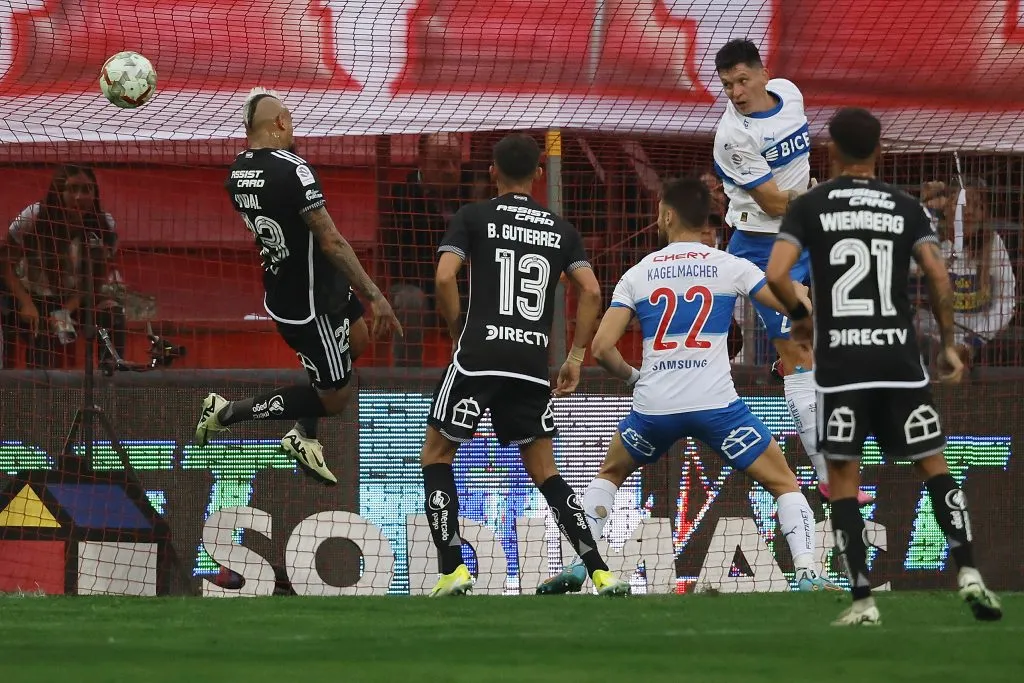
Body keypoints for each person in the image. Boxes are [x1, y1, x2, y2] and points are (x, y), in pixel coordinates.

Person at [538, 177, 835, 594]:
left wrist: (635, 378)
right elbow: (793, 304)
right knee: (784, 481)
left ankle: (580, 563)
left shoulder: (638, 274)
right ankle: (806, 573)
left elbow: (602, 348)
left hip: (654, 408)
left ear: (668, 215)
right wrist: (803, 297)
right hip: (717, 408)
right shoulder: (729, 265)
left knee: (610, 472)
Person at [766, 107, 1002, 626]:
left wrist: (806, 316)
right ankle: (969, 574)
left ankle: (863, 601)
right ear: (880, 151)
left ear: (830, 150)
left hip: (842, 365)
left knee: (844, 478)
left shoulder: (811, 205)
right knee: (934, 465)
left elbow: (777, 273)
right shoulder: (905, 206)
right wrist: (945, 344)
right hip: (898, 360)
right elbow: (939, 278)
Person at [419, 133, 629, 597]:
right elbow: (592, 292)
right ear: (539, 174)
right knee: (546, 473)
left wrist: (458, 330)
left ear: (491, 172)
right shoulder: (560, 229)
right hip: (531, 364)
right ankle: (598, 570)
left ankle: (453, 568)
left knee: (436, 455)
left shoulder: (472, 216)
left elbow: (444, 275)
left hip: (479, 357)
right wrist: (574, 356)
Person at [194, 87, 402, 485]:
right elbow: (331, 239)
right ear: (281, 122)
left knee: (356, 341)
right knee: (336, 398)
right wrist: (375, 295)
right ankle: (225, 412)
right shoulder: (294, 168)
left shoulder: (236, 171)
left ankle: (304, 434)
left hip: (302, 283)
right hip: (311, 302)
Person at [712, 38, 873, 506]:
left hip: (805, 236)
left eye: (742, 80)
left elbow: (799, 173)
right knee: (802, 356)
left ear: (763, 74)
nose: (737, 92)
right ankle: (830, 480)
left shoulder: (791, 93)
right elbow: (773, 201)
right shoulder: (733, 136)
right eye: (727, 86)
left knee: (830, 344)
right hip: (763, 248)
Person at [1, 164, 126, 369]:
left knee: (114, 315)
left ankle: (110, 378)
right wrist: (26, 303)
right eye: (72, 189)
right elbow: (5, 264)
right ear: (58, 191)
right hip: (34, 299)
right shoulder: (34, 217)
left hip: (75, 300)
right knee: (41, 335)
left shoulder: (103, 224)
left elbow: (95, 278)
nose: (79, 197)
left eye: (86, 190)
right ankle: (40, 393)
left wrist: (67, 310)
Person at [384, 133, 490, 366]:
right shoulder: (403, 196)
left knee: (484, 301)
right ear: (422, 161)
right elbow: (402, 261)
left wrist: (451, 290)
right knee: (411, 302)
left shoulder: (471, 194)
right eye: (441, 163)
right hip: (415, 283)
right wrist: (440, 291)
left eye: (455, 162)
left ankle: (471, 376)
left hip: (459, 285)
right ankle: (407, 384)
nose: (451, 170)